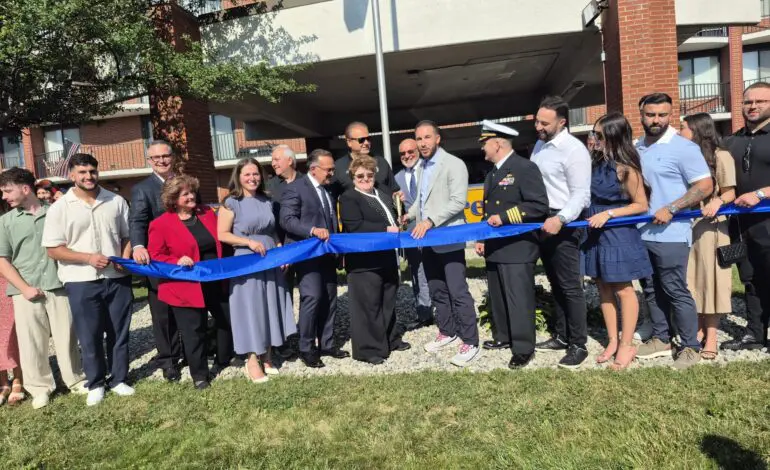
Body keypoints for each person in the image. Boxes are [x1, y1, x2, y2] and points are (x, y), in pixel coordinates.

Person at [42, 153, 134, 406]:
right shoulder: (60, 208)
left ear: (97, 172)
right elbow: (52, 249)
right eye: (82, 172)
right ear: (72, 175)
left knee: (119, 331)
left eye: (92, 171)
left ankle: (118, 380)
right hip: (80, 279)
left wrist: (123, 258)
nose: (88, 176)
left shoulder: (115, 201)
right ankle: (96, 383)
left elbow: (127, 237)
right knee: (89, 334)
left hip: (116, 277)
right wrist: (88, 258)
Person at [634, 93, 714, 370]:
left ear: (671, 115)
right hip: (641, 232)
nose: (656, 120)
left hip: (671, 233)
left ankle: (690, 346)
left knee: (674, 289)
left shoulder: (683, 147)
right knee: (651, 289)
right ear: (641, 114)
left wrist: (673, 207)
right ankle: (661, 338)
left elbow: (704, 185)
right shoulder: (637, 147)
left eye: (662, 115)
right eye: (650, 114)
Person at [0, 168, 86, 409]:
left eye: (7, 191)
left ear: (25, 188)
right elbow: (2, 261)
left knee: (66, 336)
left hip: (58, 284)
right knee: (31, 343)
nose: (4, 196)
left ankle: (75, 379)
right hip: (24, 291)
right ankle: (39, 388)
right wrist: (24, 288)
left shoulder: (57, 214)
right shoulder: (5, 222)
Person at [474, 120, 549, 369]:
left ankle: (523, 347)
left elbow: (538, 206)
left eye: (485, 143)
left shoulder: (524, 168)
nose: (482, 148)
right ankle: (504, 337)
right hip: (496, 246)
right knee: (499, 297)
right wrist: (484, 239)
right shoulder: (494, 173)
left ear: (497, 143)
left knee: (518, 299)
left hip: (518, 247)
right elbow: (488, 213)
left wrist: (505, 218)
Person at [147, 175, 233, 390]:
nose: (191, 196)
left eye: (192, 192)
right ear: (173, 199)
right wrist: (176, 260)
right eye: (185, 194)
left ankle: (224, 359)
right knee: (194, 330)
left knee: (226, 320)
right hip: (185, 287)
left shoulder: (207, 214)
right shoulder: (161, 224)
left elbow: (224, 237)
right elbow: (155, 255)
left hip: (215, 280)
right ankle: (200, 375)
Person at [406, 120, 480, 367]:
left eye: (427, 138)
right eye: (419, 138)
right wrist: (410, 214)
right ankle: (447, 331)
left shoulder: (454, 164)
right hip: (427, 240)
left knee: (457, 290)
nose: (422, 143)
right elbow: (421, 201)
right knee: (437, 288)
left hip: (448, 236)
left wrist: (428, 221)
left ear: (438, 139)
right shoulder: (421, 167)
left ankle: (470, 340)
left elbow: (459, 202)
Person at [581, 113, 652, 370]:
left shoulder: (627, 168)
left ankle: (626, 345)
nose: (594, 138)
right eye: (593, 133)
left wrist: (610, 213)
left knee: (624, 289)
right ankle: (612, 340)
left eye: (599, 135)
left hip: (618, 233)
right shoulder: (594, 163)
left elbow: (641, 205)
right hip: (594, 232)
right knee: (603, 287)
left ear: (613, 136)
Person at [218, 158, 296, 383]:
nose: (252, 178)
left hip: (270, 257)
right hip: (247, 260)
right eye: (247, 175)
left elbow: (272, 232)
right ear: (239, 177)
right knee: (251, 308)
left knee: (270, 304)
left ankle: (268, 355)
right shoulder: (231, 202)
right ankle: (252, 360)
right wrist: (247, 242)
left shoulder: (267, 200)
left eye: (255, 174)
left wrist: (281, 252)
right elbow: (222, 234)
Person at [530, 95, 592, 369]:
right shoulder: (540, 145)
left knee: (570, 286)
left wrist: (561, 219)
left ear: (562, 122)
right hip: (543, 221)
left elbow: (581, 195)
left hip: (563, 223)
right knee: (555, 283)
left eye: (544, 122)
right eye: (536, 120)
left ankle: (579, 344)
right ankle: (562, 334)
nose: (538, 126)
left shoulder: (574, 150)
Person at [280, 149, 349, 368]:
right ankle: (306, 348)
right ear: (313, 169)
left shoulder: (326, 189)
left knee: (330, 298)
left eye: (332, 169)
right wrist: (312, 230)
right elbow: (287, 220)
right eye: (328, 170)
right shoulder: (295, 189)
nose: (331, 173)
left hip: (328, 254)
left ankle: (327, 344)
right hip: (308, 255)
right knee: (312, 298)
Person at [339, 156, 410, 364]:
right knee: (368, 306)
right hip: (364, 262)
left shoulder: (383, 193)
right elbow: (355, 227)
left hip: (386, 256)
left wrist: (402, 213)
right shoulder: (349, 197)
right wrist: (385, 230)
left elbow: (395, 216)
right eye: (360, 175)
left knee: (388, 301)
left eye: (369, 175)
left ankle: (390, 339)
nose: (365, 178)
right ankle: (368, 349)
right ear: (353, 177)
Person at [680, 113, 736, 360]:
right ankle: (699, 328)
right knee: (693, 281)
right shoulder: (685, 157)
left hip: (711, 228)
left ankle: (712, 335)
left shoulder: (720, 156)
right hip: (687, 227)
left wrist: (717, 201)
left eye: (683, 127)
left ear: (697, 130)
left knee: (711, 281)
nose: (679, 130)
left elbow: (730, 192)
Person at [723, 81, 770, 351]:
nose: (752, 106)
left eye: (760, 101)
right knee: (750, 279)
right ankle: (754, 333)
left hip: (767, 220)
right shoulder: (732, 140)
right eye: (748, 102)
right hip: (741, 225)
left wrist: (761, 194)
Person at [129, 140, 181, 382]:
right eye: (156, 157)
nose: (161, 160)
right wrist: (138, 246)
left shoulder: (184, 183)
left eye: (165, 156)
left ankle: (189, 351)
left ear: (173, 157)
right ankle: (168, 359)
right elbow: (138, 220)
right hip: (158, 259)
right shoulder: (143, 189)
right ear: (149, 161)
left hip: (185, 258)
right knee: (163, 313)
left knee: (187, 307)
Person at [394, 138, 432, 330]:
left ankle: (443, 311)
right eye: (403, 153)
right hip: (411, 235)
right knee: (418, 273)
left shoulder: (429, 170)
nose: (407, 155)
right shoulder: (397, 178)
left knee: (438, 271)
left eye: (411, 151)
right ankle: (424, 314)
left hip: (434, 231)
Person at [330, 121, 399, 197]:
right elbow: (332, 198)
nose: (366, 143)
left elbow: (394, 191)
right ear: (349, 142)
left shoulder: (381, 162)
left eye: (368, 138)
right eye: (361, 140)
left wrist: (397, 196)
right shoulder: (338, 167)